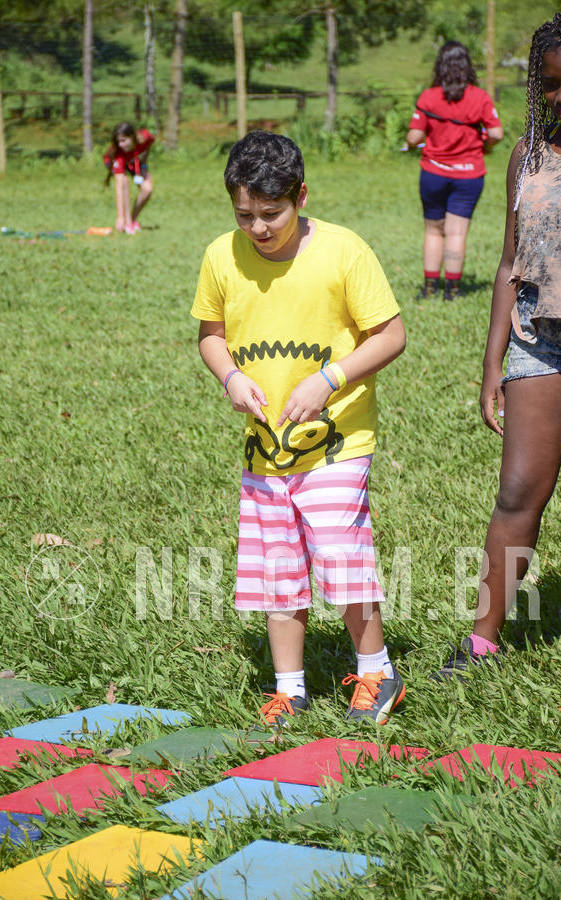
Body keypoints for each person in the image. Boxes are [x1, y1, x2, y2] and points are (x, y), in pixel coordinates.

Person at [191, 131, 407, 726]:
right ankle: (291, 689)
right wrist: (230, 376)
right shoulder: (220, 256)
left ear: (300, 196)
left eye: (272, 213)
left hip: (340, 441)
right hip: (265, 450)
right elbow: (210, 336)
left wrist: (329, 379)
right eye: (245, 215)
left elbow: (391, 334)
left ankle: (377, 673)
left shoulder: (343, 251)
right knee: (276, 566)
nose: (258, 228)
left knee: (340, 554)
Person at [433, 8, 561, 680]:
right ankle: (482, 642)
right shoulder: (527, 154)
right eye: (551, 85)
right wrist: (492, 362)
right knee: (520, 489)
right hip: (538, 343)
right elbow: (507, 263)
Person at [406, 41, 503, 300]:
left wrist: (410, 142)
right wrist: (485, 144)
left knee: (433, 229)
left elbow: (414, 137)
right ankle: (453, 290)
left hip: (433, 174)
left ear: (440, 66)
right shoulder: (479, 97)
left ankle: (429, 288)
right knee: (456, 232)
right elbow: (496, 133)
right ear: (467, 66)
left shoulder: (429, 96)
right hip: (470, 175)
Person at [103, 122, 154, 234]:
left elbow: (148, 146)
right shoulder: (119, 153)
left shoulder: (145, 137)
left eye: (123, 140)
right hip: (114, 162)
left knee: (147, 189)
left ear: (132, 137)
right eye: (118, 141)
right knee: (124, 182)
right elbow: (119, 187)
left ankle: (131, 219)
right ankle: (126, 221)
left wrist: (144, 165)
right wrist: (119, 217)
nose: (120, 144)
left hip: (134, 161)